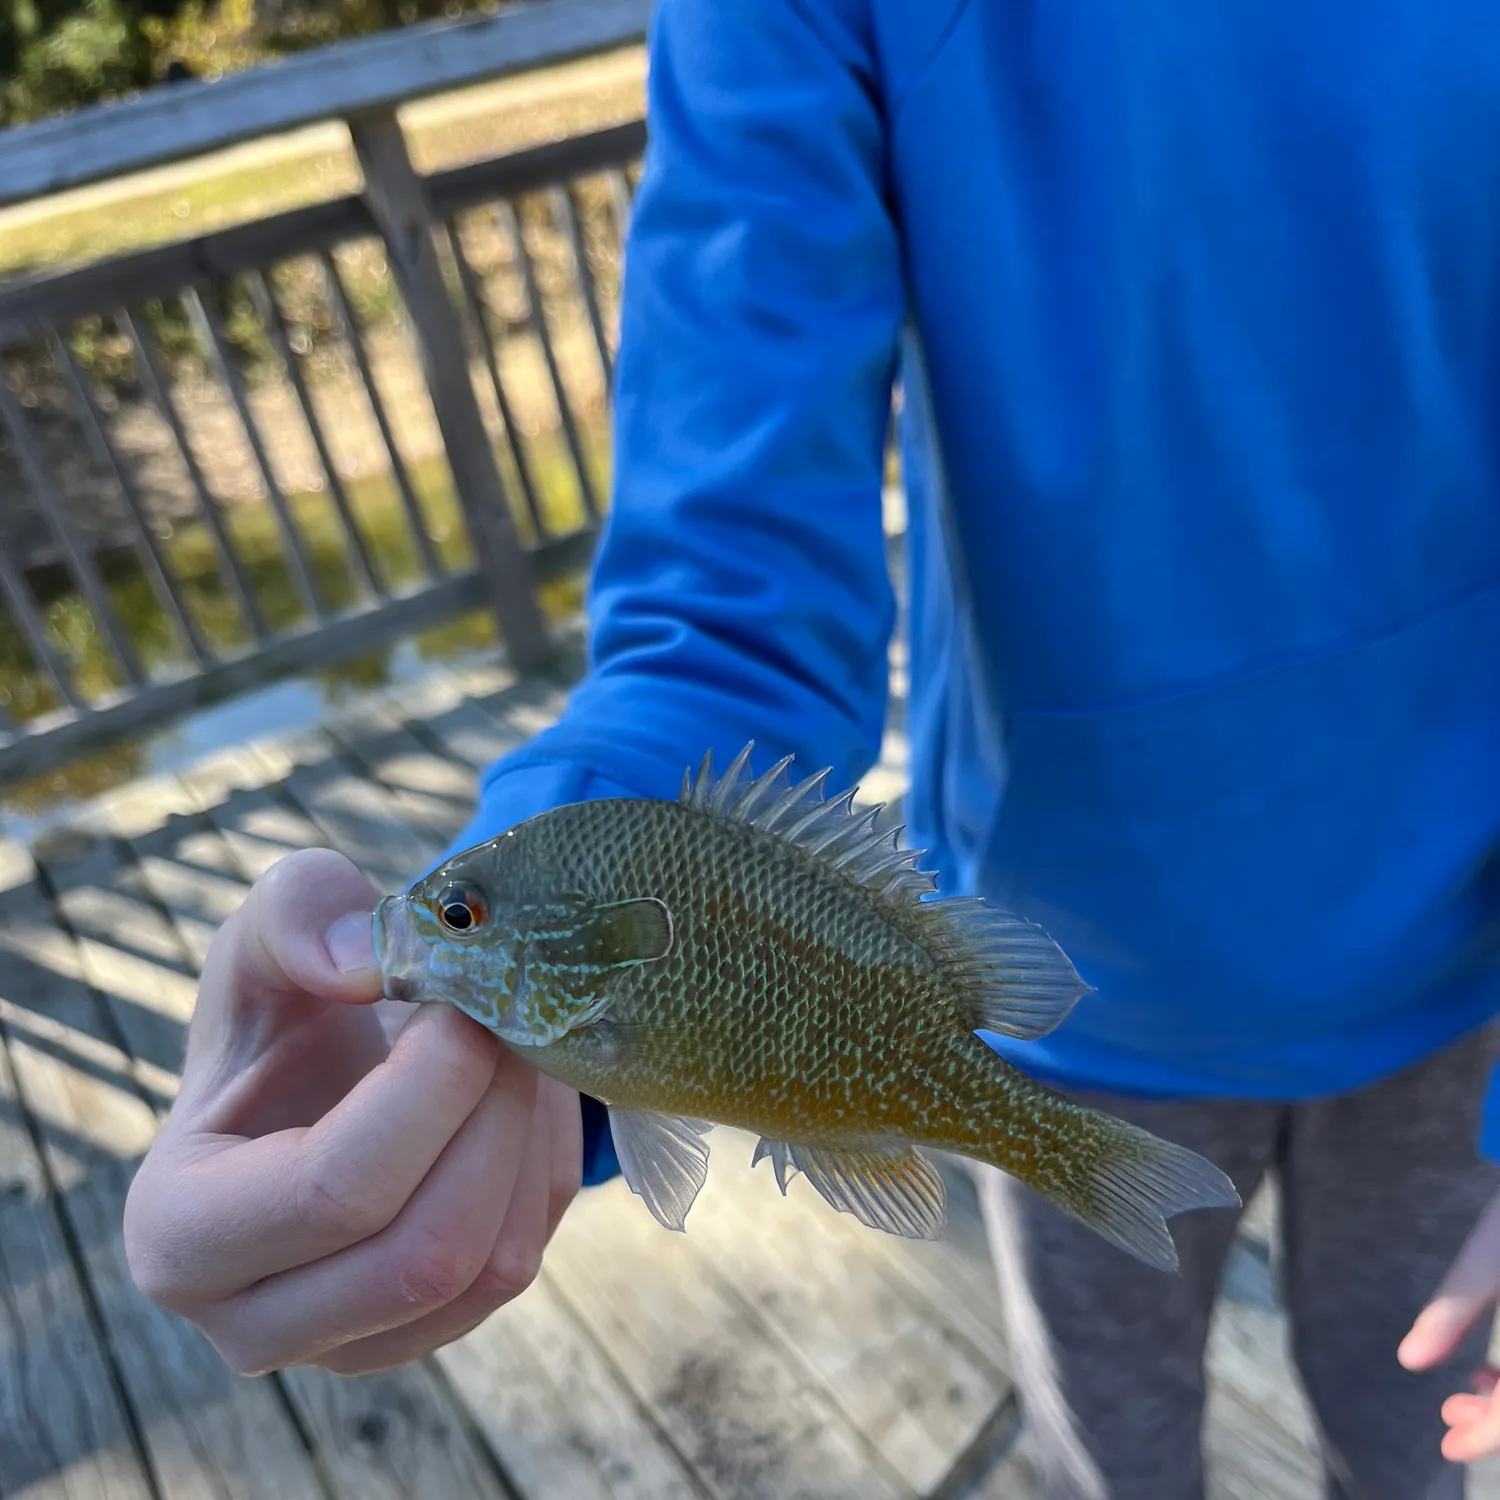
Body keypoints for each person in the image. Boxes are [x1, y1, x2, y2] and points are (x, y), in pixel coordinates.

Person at [126, 0, 1500, 1493]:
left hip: (1465, 983)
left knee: (1418, 1429)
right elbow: (729, 606)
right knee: (1114, 1451)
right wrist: (473, 1082)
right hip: (1061, 993)